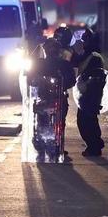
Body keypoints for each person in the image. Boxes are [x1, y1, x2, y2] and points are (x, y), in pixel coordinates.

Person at [27, 34, 77, 162]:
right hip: (45, 98)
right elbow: (30, 79)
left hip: (55, 97)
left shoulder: (61, 64)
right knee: (43, 123)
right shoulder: (41, 63)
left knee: (52, 123)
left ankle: (53, 145)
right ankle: (47, 146)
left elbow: (71, 80)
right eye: (50, 48)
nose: (51, 51)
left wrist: (61, 83)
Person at [71, 28, 107, 157]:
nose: (83, 43)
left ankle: (94, 145)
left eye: (85, 40)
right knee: (87, 120)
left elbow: (97, 76)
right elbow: (77, 61)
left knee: (87, 121)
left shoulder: (94, 56)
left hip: (91, 94)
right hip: (86, 93)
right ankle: (95, 143)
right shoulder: (89, 54)